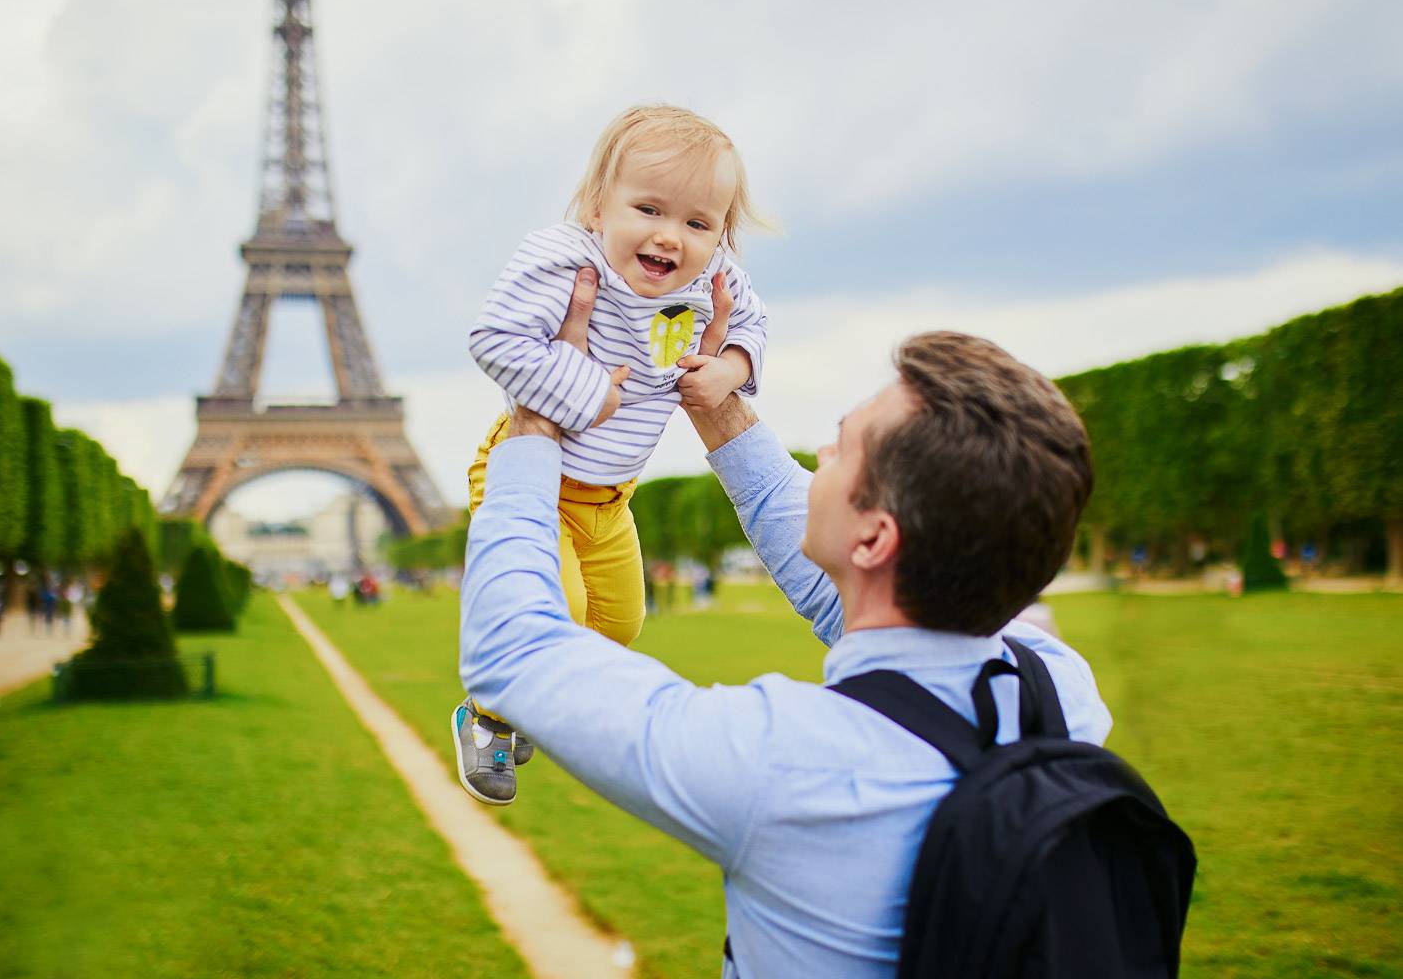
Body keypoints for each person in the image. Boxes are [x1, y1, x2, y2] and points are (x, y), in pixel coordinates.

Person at [458, 271, 1111, 976]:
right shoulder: (1062, 688)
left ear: (873, 540)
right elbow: (849, 587)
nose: (820, 459)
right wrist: (714, 401)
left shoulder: (776, 763)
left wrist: (535, 416)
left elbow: (514, 650)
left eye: (842, 448)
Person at [454, 104, 770, 805]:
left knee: (619, 626)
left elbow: (750, 325)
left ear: (721, 233)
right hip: (529, 472)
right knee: (552, 606)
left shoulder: (714, 279)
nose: (670, 237)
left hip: (611, 496)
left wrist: (731, 369)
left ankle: (528, 697)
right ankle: (486, 717)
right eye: (649, 208)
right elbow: (495, 338)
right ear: (597, 206)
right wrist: (583, 388)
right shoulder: (563, 257)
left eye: (698, 222)